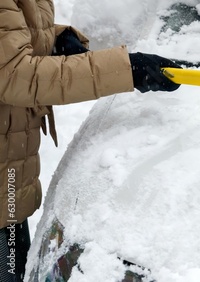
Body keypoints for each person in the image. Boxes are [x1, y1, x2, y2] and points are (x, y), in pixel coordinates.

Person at [0, 0, 182, 281]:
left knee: (13, 262)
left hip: (9, 178)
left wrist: (56, 40)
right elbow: (15, 75)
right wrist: (125, 69)